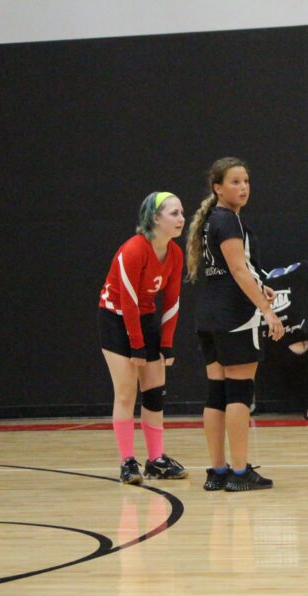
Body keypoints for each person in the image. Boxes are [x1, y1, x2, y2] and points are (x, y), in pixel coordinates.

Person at [185, 157, 284, 492]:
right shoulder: (227, 221)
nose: (243, 188)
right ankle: (240, 473)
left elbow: (235, 270)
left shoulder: (213, 220)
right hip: (235, 318)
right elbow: (238, 271)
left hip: (209, 316)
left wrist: (261, 284)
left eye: (246, 181)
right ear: (217, 187)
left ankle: (217, 470)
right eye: (234, 182)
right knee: (239, 391)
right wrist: (267, 311)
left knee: (218, 391)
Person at [98, 192, 189, 484]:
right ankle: (127, 462)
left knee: (154, 393)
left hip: (145, 318)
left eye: (182, 213)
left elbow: (172, 301)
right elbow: (127, 302)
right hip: (116, 318)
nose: (181, 219)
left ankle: (156, 460)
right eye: (174, 213)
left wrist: (166, 344)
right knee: (126, 393)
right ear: (155, 218)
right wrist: (136, 346)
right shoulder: (134, 249)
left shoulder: (175, 253)